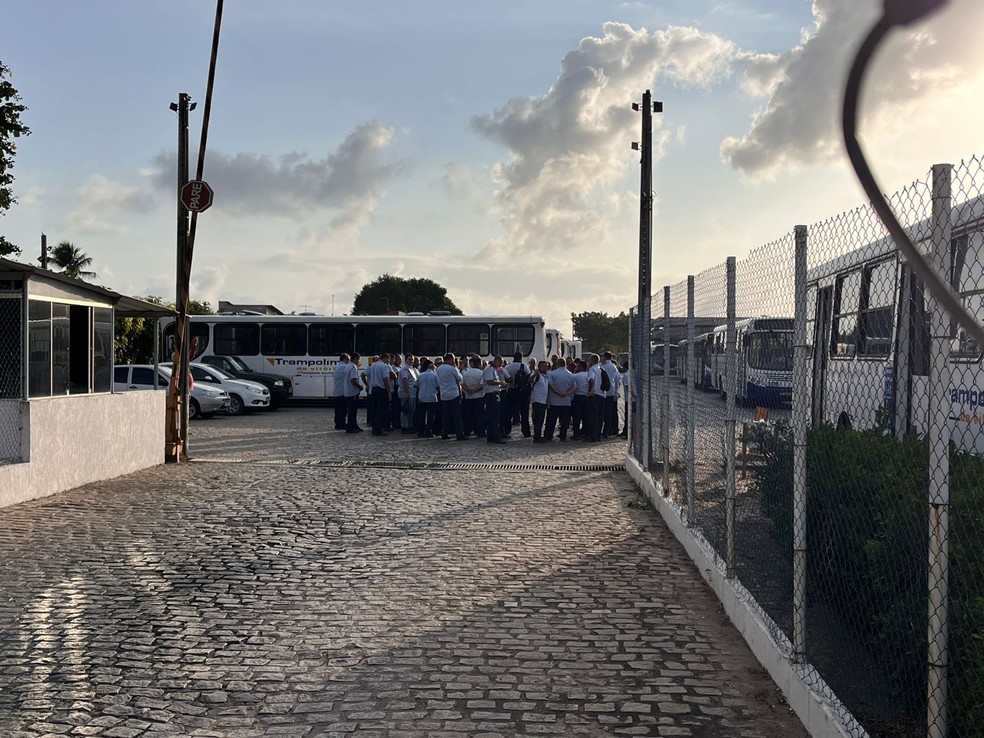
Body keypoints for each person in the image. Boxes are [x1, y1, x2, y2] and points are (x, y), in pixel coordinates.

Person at [436, 352, 465, 440]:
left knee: (445, 415)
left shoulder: (439, 368)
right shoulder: (452, 368)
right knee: (457, 416)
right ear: (451, 359)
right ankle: (459, 434)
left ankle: (444, 433)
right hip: (453, 394)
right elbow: (460, 378)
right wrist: (456, 368)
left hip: (444, 394)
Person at [503, 352, 532, 438]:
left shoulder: (507, 367)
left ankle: (506, 430)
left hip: (511, 391)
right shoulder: (524, 366)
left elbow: (506, 379)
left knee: (508, 413)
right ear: (521, 358)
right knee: (524, 414)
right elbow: (529, 378)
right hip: (522, 392)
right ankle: (526, 432)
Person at [545, 359, 575, 441]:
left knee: (551, 420)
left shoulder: (553, 374)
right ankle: (563, 435)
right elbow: (574, 387)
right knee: (565, 421)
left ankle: (548, 435)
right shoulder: (571, 375)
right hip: (566, 402)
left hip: (554, 401)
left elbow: (550, 385)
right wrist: (566, 393)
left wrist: (558, 392)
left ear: (558, 364)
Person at [366, 353, 393, 436]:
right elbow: (386, 379)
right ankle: (379, 429)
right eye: (388, 360)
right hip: (381, 390)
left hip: (373, 389)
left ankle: (374, 428)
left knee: (374, 410)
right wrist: (389, 392)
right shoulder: (384, 366)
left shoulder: (373, 365)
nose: (388, 362)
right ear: (385, 358)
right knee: (381, 411)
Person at [483, 355, 507, 443]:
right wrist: (500, 382)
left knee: (491, 417)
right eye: (500, 363)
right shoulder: (489, 369)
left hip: (493, 394)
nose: (500, 365)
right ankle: (496, 437)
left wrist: (500, 385)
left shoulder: (493, 369)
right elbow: (489, 381)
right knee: (494, 417)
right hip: (491, 395)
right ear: (496, 361)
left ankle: (491, 436)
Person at [461, 355, 486, 438]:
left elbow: (462, 384)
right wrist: (474, 390)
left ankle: (467, 431)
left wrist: (468, 390)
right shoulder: (481, 373)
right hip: (479, 396)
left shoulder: (466, 373)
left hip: (468, 397)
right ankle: (479, 432)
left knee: (468, 415)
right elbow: (482, 385)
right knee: (479, 415)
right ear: (479, 364)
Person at [415, 359, 439, 437]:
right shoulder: (435, 376)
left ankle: (420, 431)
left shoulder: (421, 375)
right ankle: (428, 431)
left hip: (422, 397)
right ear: (433, 369)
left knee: (421, 415)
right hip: (432, 397)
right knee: (430, 416)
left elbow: (416, 385)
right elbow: (438, 386)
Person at [530, 360, 550, 442]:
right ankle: (537, 436)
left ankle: (538, 434)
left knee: (541, 419)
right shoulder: (536, 375)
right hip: (537, 400)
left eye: (546, 366)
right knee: (537, 419)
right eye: (544, 366)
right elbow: (529, 380)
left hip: (543, 401)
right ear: (539, 367)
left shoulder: (545, 376)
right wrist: (535, 374)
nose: (546, 368)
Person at [601, 351, 621, 438]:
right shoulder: (613, 367)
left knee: (603, 413)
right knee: (610, 412)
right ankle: (609, 430)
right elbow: (617, 379)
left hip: (603, 392)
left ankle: (606, 431)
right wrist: (616, 390)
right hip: (611, 391)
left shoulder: (602, 366)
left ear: (605, 357)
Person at [585, 354, 604, 442]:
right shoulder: (601, 369)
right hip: (602, 394)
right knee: (599, 416)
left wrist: (589, 391)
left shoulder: (592, 369)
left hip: (594, 394)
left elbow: (591, 380)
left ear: (592, 360)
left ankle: (592, 435)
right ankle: (598, 435)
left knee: (592, 416)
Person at [344, 353, 364, 433]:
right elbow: (353, 380)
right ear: (355, 359)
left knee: (351, 410)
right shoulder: (353, 367)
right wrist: (360, 387)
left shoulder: (347, 366)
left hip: (348, 392)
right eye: (359, 359)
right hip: (353, 392)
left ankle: (354, 425)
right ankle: (350, 427)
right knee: (352, 411)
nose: (359, 361)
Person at [398, 353, 418, 434]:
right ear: (406, 360)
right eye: (409, 359)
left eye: (412, 359)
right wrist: (407, 393)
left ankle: (410, 426)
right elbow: (405, 380)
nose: (411, 361)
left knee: (411, 410)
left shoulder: (412, 368)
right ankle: (405, 426)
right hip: (407, 392)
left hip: (412, 392)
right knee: (405, 410)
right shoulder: (404, 369)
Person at [571, 360, 589, 440]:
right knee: (586, 416)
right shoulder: (588, 375)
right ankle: (585, 431)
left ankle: (576, 433)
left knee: (576, 417)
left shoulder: (575, 376)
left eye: (578, 366)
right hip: (586, 397)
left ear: (581, 367)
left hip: (577, 397)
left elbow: (573, 387)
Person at [332, 353, 350, 430]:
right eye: (348, 359)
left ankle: (338, 424)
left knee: (338, 410)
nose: (349, 361)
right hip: (342, 392)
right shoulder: (344, 367)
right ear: (344, 359)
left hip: (337, 392)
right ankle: (341, 424)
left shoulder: (338, 366)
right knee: (342, 410)